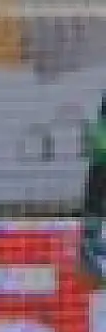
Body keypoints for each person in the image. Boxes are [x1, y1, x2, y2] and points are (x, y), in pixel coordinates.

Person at [80, 92, 105, 286]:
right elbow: (97, 147)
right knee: (93, 216)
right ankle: (90, 260)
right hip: (99, 176)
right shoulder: (97, 129)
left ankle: (90, 256)